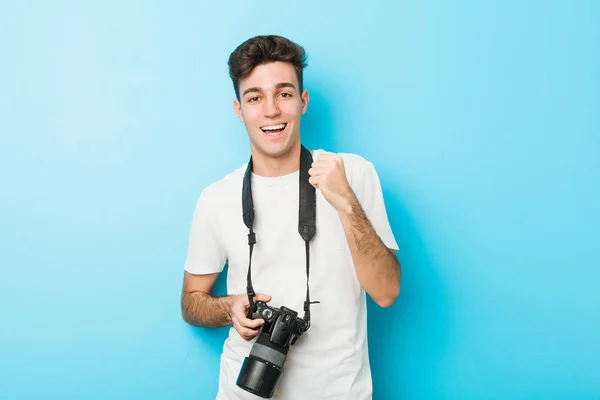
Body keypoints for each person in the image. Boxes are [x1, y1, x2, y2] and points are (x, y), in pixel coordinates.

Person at [181, 35, 401, 399]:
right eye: (255, 98)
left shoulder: (353, 174)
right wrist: (228, 307)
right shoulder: (216, 198)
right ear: (239, 110)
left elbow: (387, 292)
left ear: (302, 101)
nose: (271, 111)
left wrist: (345, 202)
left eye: (283, 94)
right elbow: (191, 301)